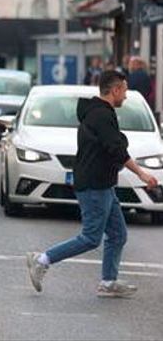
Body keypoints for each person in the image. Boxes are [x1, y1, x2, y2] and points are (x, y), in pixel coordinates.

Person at [26, 70, 159, 298]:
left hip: (103, 183)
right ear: (115, 90)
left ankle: (108, 283)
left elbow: (112, 145)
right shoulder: (101, 115)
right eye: (124, 91)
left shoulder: (98, 112)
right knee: (90, 238)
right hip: (95, 185)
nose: (125, 97)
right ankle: (42, 260)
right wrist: (141, 174)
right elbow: (116, 148)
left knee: (117, 234)